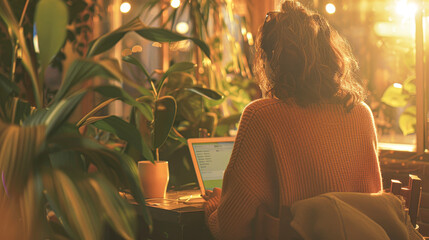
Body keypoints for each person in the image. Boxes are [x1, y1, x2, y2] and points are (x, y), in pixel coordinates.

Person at [203, 1, 383, 239]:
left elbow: (230, 227)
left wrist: (216, 206)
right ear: (329, 56)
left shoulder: (260, 116)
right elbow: (371, 206)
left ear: (269, 62)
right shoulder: (360, 113)